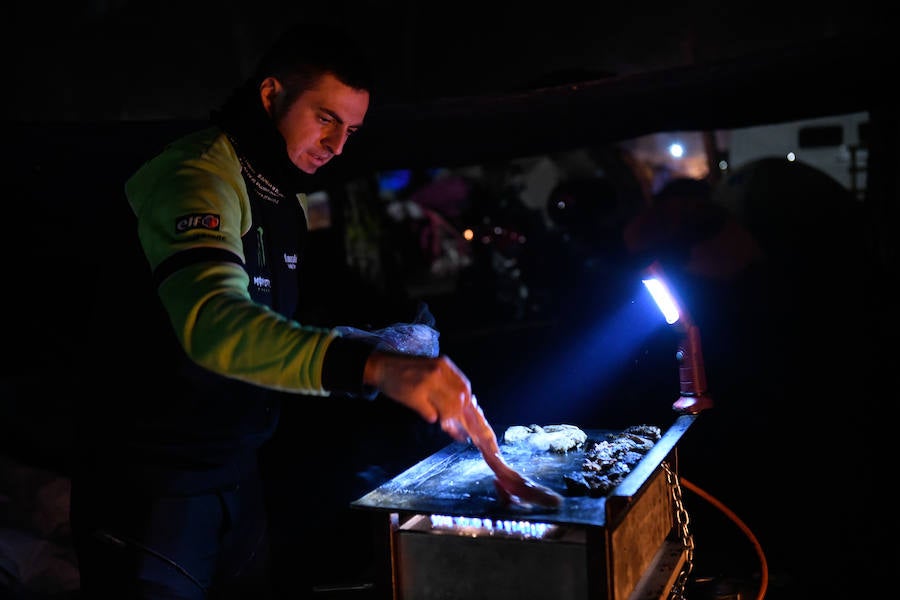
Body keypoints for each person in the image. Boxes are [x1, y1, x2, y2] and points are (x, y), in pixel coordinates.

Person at [69, 23, 556, 600]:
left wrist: (375, 343)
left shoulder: (285, 194)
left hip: (237, 472)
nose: (337, 145)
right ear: (271, 94)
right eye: (325, 118)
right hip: (150, 486)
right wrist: (372, 368)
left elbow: (264, 316)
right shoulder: (196, 176)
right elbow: (213, 323)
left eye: (350, 130)